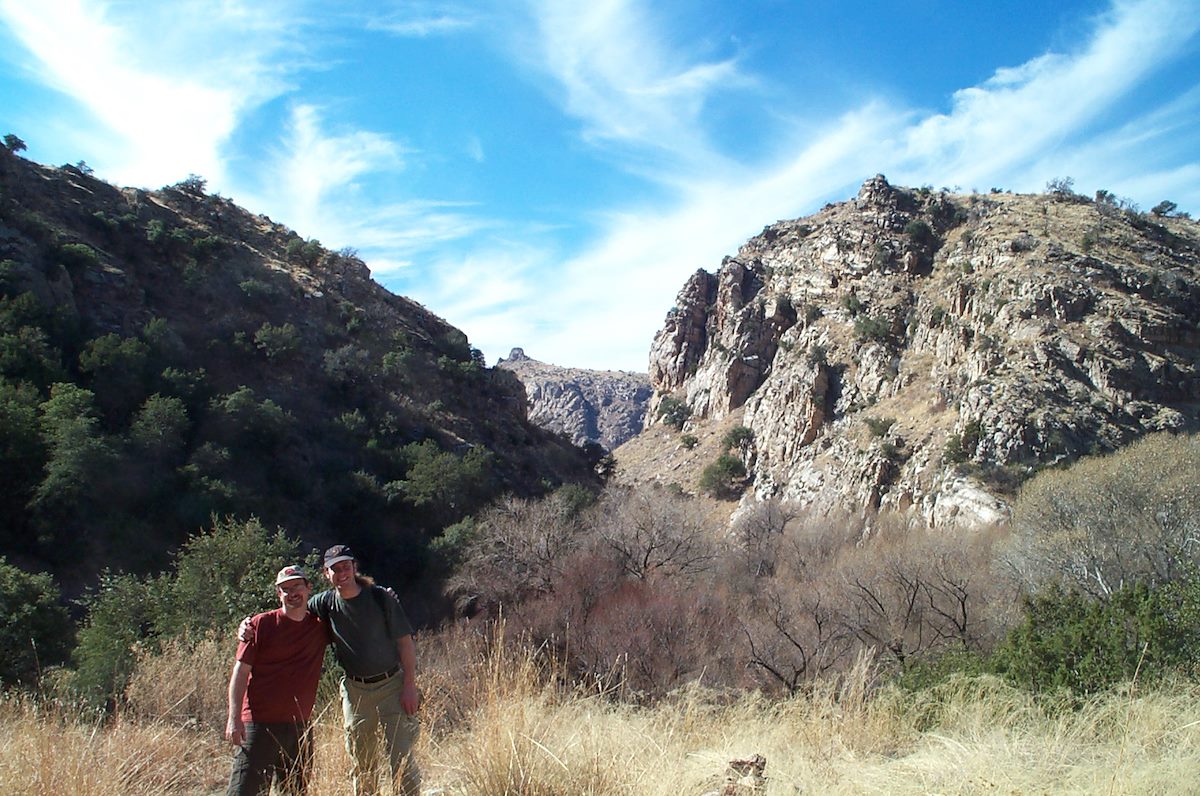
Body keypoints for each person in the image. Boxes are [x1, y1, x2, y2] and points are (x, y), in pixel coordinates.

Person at [310, 544, 422, 796]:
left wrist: (409, 686)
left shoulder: (379, 597)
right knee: (363, 765)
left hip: (392, 686)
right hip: (355, 691)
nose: (342, 573)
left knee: (402, 761)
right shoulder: (324, 603)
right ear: (326, 574)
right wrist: (250, 624)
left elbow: (405, 643)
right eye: (335, 569)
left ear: (354, 567)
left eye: (346, 567)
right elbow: (292, 613)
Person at [225, 565, 328, 796]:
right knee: (244, 791)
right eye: (285, 589)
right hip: (259, 726)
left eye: (297, 586)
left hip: (299, 727)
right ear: (278, 594)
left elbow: (353, 613)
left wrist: (385, 598)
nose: (292, 593)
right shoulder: (260, 625)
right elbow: (240, 673)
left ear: (308, 588)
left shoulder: (320, 627)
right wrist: (234, 719)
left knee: (295, 791)